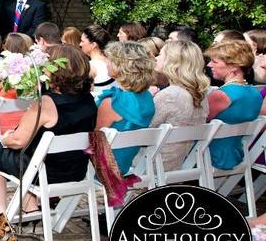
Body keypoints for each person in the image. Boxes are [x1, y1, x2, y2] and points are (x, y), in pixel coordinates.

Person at [0, 45, 96, 241]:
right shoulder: (89, 101)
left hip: (44, 172)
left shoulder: (47, 102)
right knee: (25, 156)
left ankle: (1, 216)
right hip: (75, 170)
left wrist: (5, 138)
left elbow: (18, 140)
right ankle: (30, 206)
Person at [96, 41, 156, 175]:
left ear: (122, 66)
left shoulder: (112, 102)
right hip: (124, 166)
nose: (106, 63)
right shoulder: (147, 99)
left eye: (110, 60)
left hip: (102, 169)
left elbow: (93, 140)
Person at [150, 40, 209, 171]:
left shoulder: (171, 95)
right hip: (178, 163)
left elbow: (145, 129)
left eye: (160, 54)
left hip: (154, 164)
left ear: (172, 61)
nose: (156, 58)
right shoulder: (201, 95)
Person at [205, 40, 264, 171]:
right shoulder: (255, 94)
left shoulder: (221, 96)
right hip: (237, 156)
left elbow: (197, 124)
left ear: (233, 66)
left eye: (214, 62)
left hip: (209, 157)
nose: (209, 65)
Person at [80, 25, 114, 98]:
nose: (80, 44)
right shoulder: (114, 62)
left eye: (82, 41)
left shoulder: (91, 66)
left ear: (93, 45)